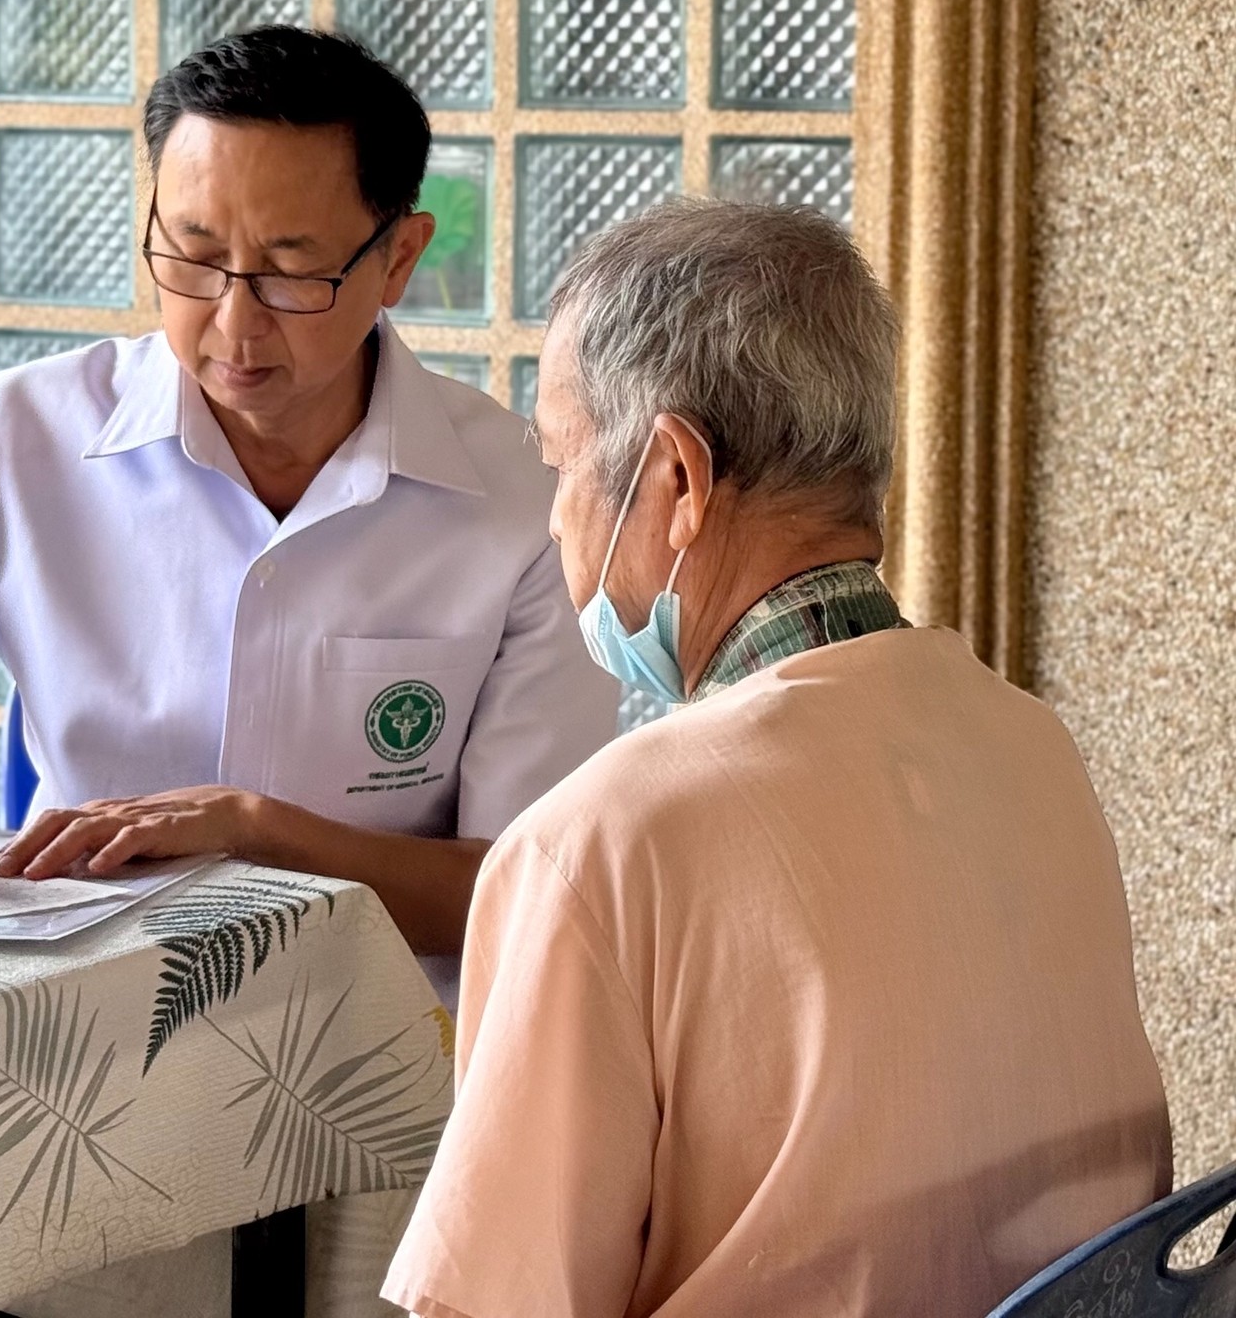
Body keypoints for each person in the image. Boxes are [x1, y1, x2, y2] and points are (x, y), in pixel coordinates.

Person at [0, 27, 618, 983]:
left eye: (292, 274)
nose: (234, 326)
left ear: (399, 257)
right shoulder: (24, 442)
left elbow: (536, 890)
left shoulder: (527, 501)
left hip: (381, 1039)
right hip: (76, 1019)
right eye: (192, 258)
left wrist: (253, 832)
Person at [383, 199, 1171, 1317]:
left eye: (561, 464)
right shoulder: (1027, 741)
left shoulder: (601, 846)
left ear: (676, 477)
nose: (554, 521)